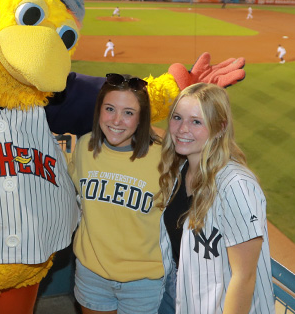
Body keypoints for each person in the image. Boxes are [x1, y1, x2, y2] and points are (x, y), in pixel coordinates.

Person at [156, 83, 275, 314]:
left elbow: (244, 276)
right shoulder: (179, 170)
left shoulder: (236, 186)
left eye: (196, 121)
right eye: (177, 117)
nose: (182, 129)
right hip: (178, 293)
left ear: (220, 128)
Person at [70, 73, 164, 314]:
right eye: (110, 108)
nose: (117, 120)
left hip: (143, 282)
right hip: (92, 275)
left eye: (128, 113)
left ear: (141, 119)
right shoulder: (85, 148)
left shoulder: (164, 158)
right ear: (99, 110)